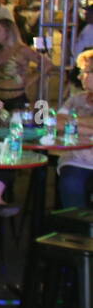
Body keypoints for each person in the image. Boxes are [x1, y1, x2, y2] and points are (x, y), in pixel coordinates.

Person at [56, 50, 93, 208]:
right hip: (75, 159)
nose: (79, 77)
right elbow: (57, 122)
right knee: (71, 182)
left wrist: (72, 123)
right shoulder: (76, 98)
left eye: (84, 72)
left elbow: (65, 122)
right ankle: (76, 230)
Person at [0, 18, 45, 109]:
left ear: (8, 32)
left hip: (16, 99)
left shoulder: (22, 49)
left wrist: (30, 79)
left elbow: (47, 64)